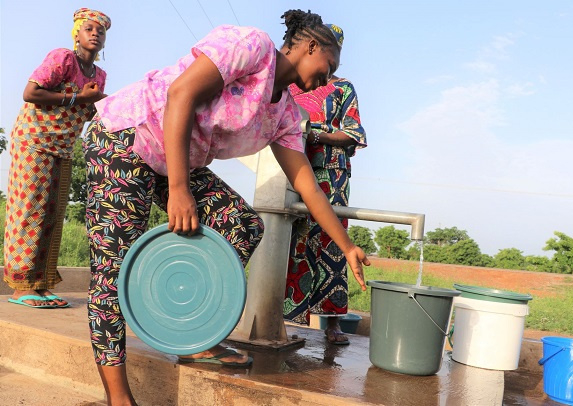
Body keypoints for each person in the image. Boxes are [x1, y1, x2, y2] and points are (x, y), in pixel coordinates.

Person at [84, 9, 369, 405]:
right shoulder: (252, 47)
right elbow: (180, 93)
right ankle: (119, 397)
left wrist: (346, 245)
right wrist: (179, 190)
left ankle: (192, 335)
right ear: (310, 46)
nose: (330, 75)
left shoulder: (286, 114)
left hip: (177, 157)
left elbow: (310, 189)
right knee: (111, 270)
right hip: (128, 134)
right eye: (329, 64)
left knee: (243, 223)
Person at [4, 8, 110, 309]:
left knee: (52, 215)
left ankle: (42, 284)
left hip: (62, 146)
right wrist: (78, 98)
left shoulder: (99, 75)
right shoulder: (63, 58)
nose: (95, 33)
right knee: (29, 211)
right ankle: (20, 286)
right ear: (76, 32)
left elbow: (85, 112)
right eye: (88, 28)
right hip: (34, 140)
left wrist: (95, 103)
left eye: (100, 31)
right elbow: (31, 93)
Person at [284, 66, 367, 344]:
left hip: (332, 170)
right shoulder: (292, 86)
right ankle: (285, 316)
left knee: (332, 240)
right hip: (292, 163)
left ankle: (333, 323)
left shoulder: (343, 88)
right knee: (291, 236)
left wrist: (317, 135)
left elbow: (353, 133)